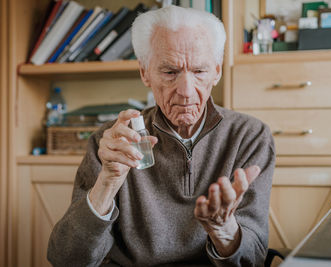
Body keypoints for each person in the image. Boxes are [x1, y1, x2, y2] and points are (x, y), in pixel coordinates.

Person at [48, 5, 275, 267]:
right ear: (145, 72)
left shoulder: (250, 136)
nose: (186, 91)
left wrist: (224, 230)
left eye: (199, 71)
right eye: (170, 72)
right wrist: (107, 182)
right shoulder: (113, 142)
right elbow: (66, 259)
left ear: (217, 71)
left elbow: (253, 260)